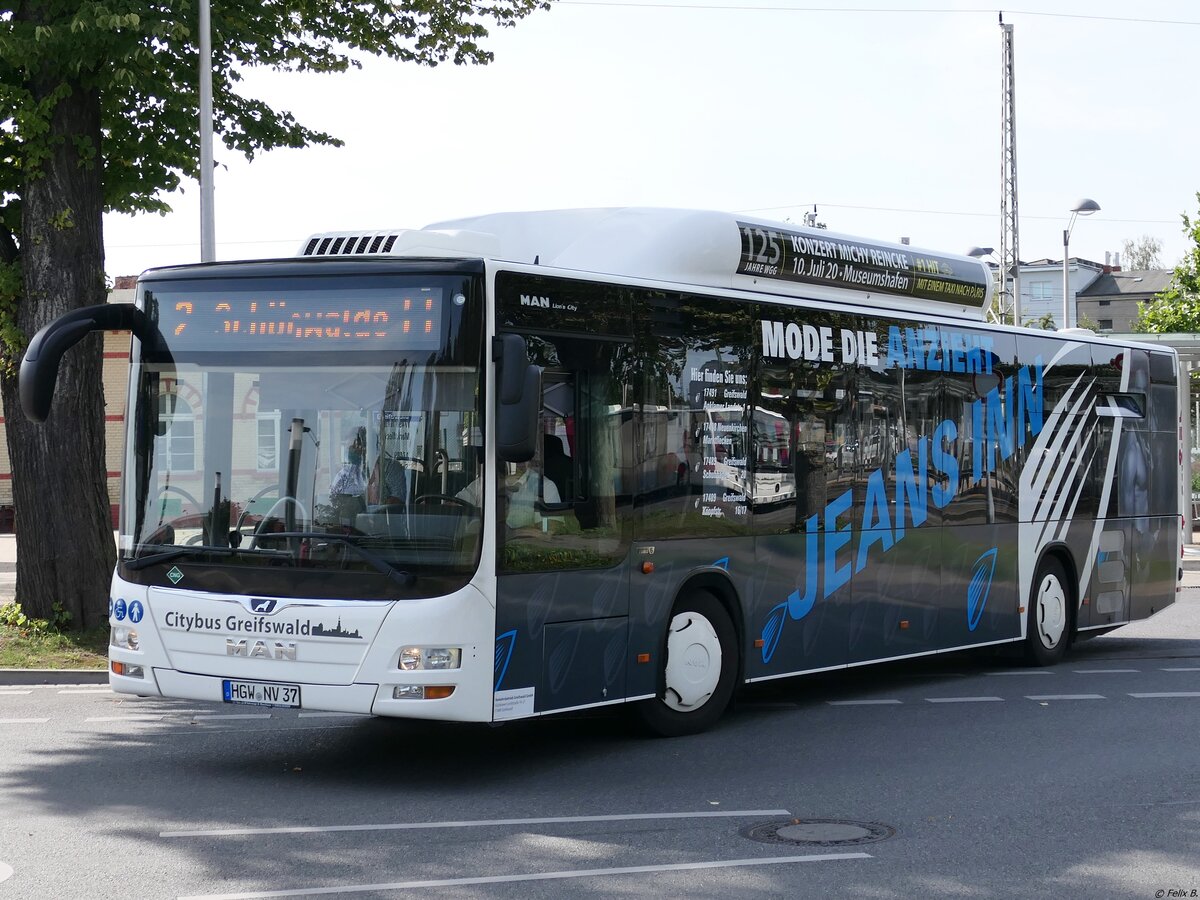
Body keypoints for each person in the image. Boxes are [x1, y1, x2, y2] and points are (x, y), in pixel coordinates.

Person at [457, 459, 561, 529]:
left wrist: (513, 535)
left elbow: (550, 530)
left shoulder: (544, 487)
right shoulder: (483, 483)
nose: (516, 460)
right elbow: (454, 508)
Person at [330, 429, 367, 523]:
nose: (351, 451)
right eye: (348, 448)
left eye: (354, 447)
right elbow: (333, 500)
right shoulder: (342, 475)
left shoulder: (377, 472)